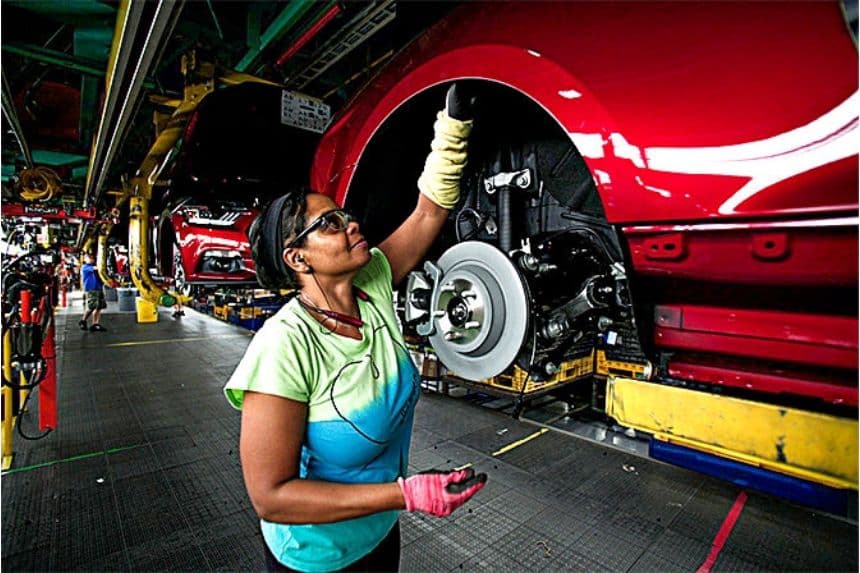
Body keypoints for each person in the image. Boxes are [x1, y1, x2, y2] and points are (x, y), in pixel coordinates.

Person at [224, 84, 486, 573]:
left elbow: (429, 210)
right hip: (315, 556)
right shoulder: (284, 346)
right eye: (329, 225)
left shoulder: (374, 283)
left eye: (343, 215)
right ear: (297, 258)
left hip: (379, 533)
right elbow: (271, 497)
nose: (350, 224)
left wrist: (453, 128)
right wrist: (404, 493)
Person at [79, 253, 107, 332]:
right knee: (91, 306)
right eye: (89, 258)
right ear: (85, 259)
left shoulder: (94, 268)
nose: (91, 259)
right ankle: (83, 321)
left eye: (92, 258)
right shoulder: (85, 267)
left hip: (99, 288)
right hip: (91, 289)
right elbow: (96, 268)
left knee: (99, 307)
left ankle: (95, 324)